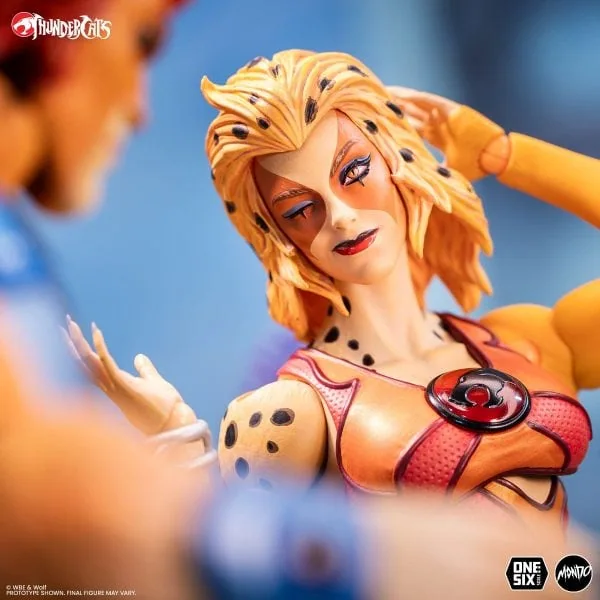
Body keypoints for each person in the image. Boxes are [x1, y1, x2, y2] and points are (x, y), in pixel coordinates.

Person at [2, 13, 596, 598]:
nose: (340, 215)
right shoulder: (290, 412)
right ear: (277, 234)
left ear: (399, 162)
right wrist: (184, 460)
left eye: (354, 172)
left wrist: (502, 154)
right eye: (299, 208)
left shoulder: (521, 342)